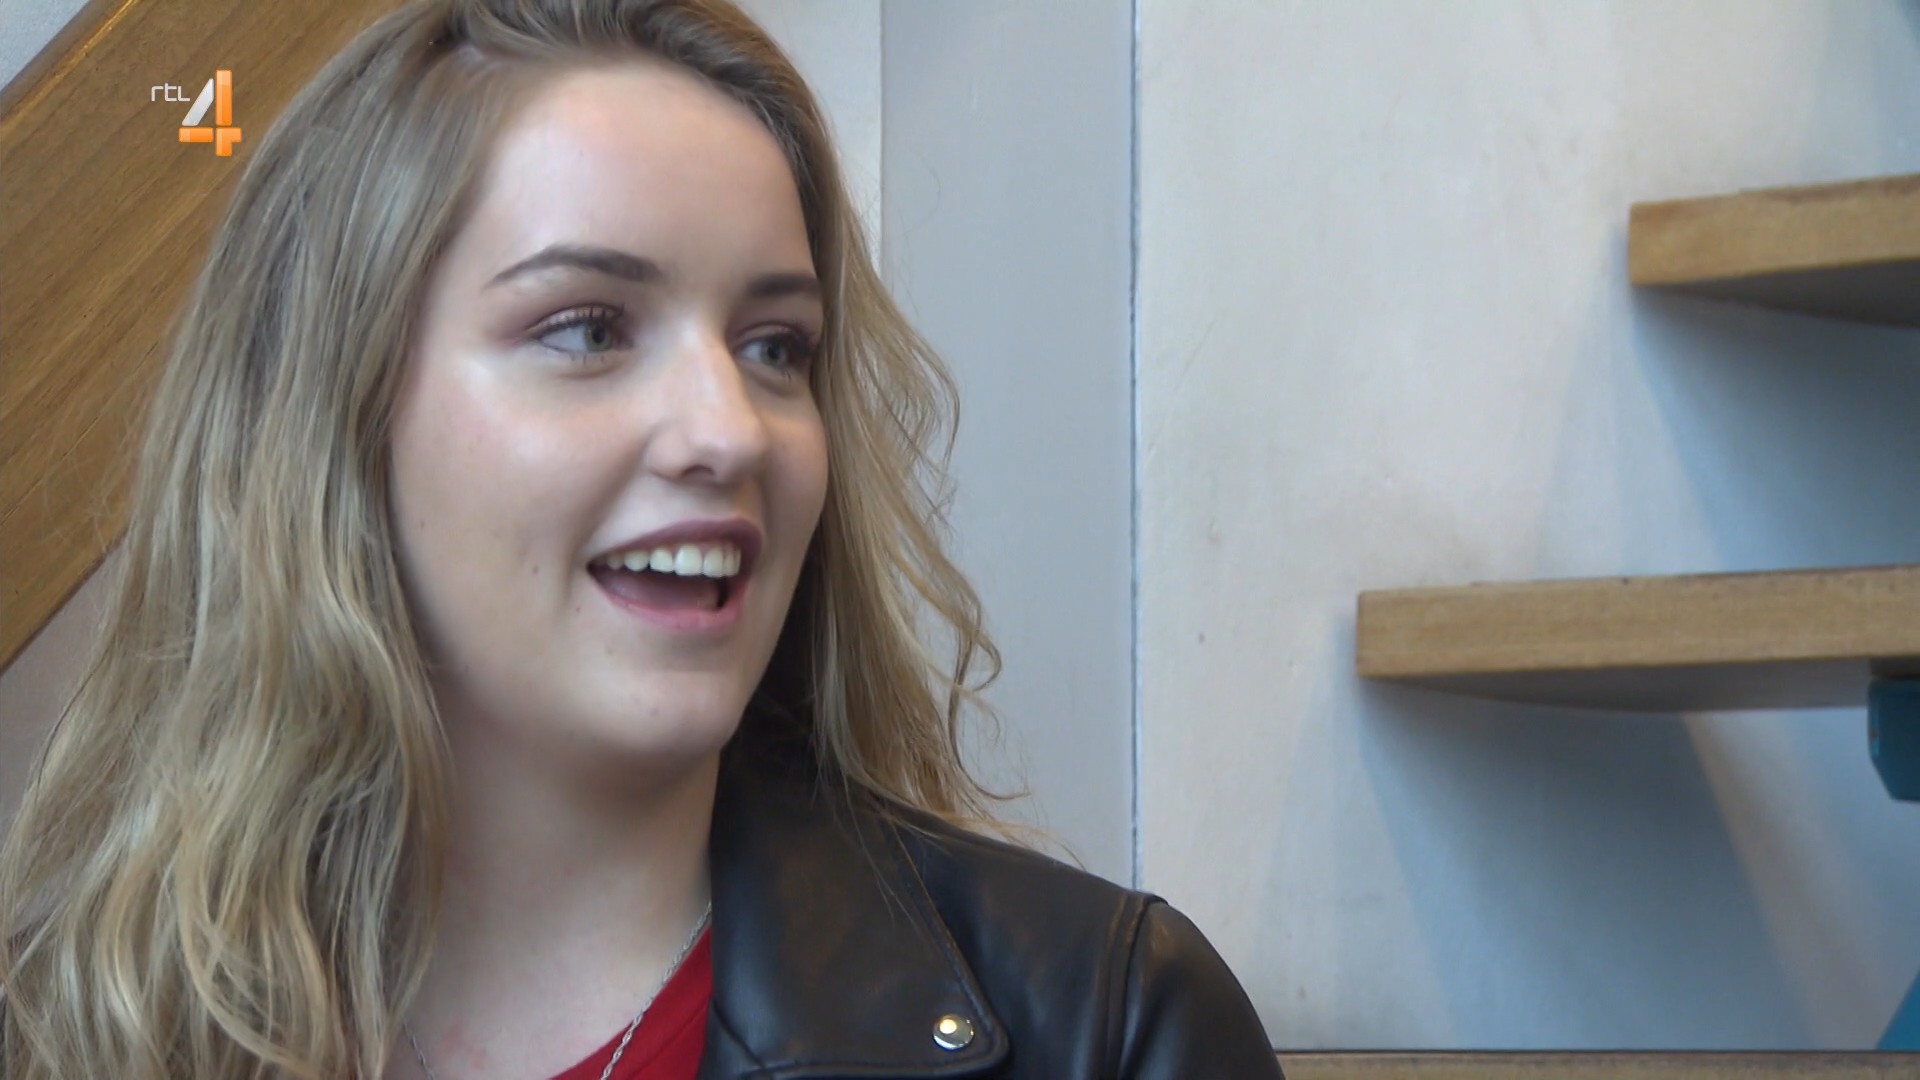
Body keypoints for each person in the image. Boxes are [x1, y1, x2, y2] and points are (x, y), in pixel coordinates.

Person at [0, 2, 1284, 1077]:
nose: (729, 431)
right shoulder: (68, 1016)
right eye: (589, 329)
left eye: (774, 347)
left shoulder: (1107, 1028)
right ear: (339, 408)